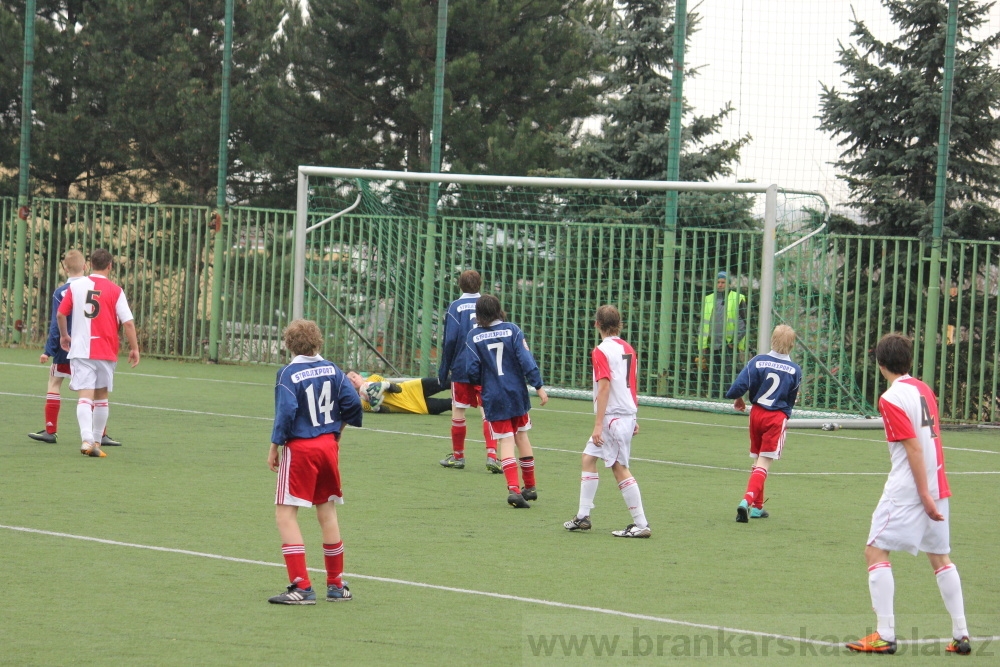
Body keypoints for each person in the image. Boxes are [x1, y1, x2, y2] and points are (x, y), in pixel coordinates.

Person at [845, 333, 971, 655]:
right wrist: (931, 493)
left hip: (911, 489)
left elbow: (913, 447)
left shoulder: (890, 398)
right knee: (940, 557)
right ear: (909, 361)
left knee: (875, 551)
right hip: (938, 483)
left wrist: (924, 495)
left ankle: (885, 635)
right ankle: (961, 634)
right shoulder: (924, 389)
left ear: (880, 364)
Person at [267, 319, 363, 605]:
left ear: (288, 344)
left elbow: (285, 413)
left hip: (302, 448)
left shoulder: (287, 373)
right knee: (328, 513)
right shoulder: (333, 369)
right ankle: (336, 584)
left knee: (285, 514)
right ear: (318, 342)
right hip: (327, 447)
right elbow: (354, 405)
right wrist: (337, 433)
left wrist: (274, 447)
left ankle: (302, 587)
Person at [564, 305, 650, 538]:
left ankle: (641, 524)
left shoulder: (601, 350)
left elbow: (605, 387)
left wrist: (598, 424)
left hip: (613, 418)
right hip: (624, 415)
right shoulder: (628, 348)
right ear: (619, 324)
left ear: (597, 324)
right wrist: (633, 416)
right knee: (588, 458)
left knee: (619, 468)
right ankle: (583, 516)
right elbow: (631, 384)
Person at [28, 249, 120, 447]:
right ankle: (100, 435)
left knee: (54, 383)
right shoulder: (96, 287)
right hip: (92, 346)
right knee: (97, 390)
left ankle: (50, 430)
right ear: (85, 266)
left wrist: (48, 350)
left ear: (64, 267)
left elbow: (57, 321)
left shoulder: (62, 291)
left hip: (67, 346)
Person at [465, 294, 548, 508]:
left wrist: (482, 385)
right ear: (499, 310)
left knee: (506, 441)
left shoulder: (473, 335)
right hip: (516, 393)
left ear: (480, 314)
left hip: (494, 396)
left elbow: (472, 370)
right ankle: (529, 486)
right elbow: (526, 359)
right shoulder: (512, 330)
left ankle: (513, 490)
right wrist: (538, 386)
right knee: (522, 436)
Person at [57, 248, 140, 458]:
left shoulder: (75, 287)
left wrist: (65, 335)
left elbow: (60, 313)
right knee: (102, 397)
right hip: (105, 350)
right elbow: (128, 323)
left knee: (85, 396)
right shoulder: (115, 290)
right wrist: (134, 348)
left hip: (81, 349)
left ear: (89, 264)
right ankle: (95, 440)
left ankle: (87, 440)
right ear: (110, 266)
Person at [725, 324, 802, 523]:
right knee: (765, 462)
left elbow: (740, 385)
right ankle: (746, 501)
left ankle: (758, 507)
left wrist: (737, 398)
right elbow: (792, 398)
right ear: (792, 345)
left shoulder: (758, 361)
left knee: (758, 459)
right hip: (775, 418)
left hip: (756, 414)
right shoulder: (795, 370)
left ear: (772, 340)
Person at [437, 270, 501, 472]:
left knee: (458, 409)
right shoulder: (488, 303)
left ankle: (458, 457)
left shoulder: (455, 307)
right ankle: (492, 456)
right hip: (485, 365)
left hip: (462, 365)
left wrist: (444, 368)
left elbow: (450, 340)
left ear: (460, 285)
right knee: (487, 412)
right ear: (480, 284)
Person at [700, 271, 747, 397]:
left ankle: (728, 399)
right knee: (714, 373)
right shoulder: (708, 299)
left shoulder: (738, 298)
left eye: (723, 282)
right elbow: (704, 323)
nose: (720, 285)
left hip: (728, 344)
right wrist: (703, 344)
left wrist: (734, 342)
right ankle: (715, 398)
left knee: (728, 373)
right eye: (718, 282)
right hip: (712, 344)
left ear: (729, 284)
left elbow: (744, 323)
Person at [345, 372, 451, 415]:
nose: (353, 380)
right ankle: (468, 401)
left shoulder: (374, 378)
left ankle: (467, 381)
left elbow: (397, 389)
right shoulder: (363, 403)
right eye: (349, 380)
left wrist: (382, 386)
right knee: (451, 404)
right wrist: (376, 406)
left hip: (414, 388)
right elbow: (384, 410)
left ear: (359, 376)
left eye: (354, 376)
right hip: (416, 407)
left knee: (447, 381)